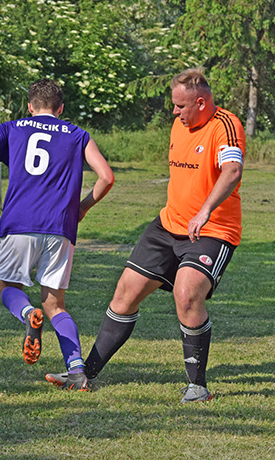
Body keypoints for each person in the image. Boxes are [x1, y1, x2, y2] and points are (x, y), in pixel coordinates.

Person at [47, 68, 245, 403]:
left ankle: (197, 386)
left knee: (186, 295)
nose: (174, 112)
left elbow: (233, 170)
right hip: (167, 226)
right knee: (124, 294)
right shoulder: (179, 125)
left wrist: (205, 210)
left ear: (200, 102)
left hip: (212, 231)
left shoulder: (225, 125)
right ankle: (84, 375)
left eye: (180, 106)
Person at [0, 79, 114, 390]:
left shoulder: (13, 127)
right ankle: (77, 371)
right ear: (61, 108)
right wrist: (81, 208)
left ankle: (28, 314)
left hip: (20, 222)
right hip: (61, 227)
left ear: (30, 106)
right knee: (55, 304)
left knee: (7, 286)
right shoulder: (77, 135)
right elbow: (107, 177)